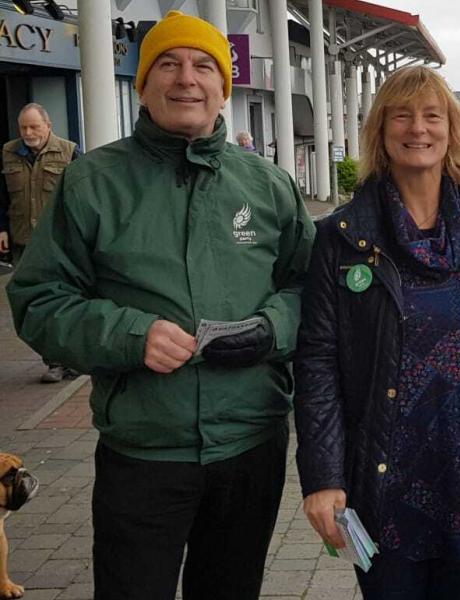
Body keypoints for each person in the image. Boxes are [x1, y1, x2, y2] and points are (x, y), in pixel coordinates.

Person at [5, 11, 315, 599]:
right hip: (143, 451)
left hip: (251, 444)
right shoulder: (91, 181)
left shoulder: (268, 185)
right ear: (142, 84)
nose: (186, 79)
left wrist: (272, 328)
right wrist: (130, 335)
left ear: (225, 88)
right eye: (167, 64)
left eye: (204, 66)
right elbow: (39, 299)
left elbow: (311, 291)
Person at [293, 65, 460, 600]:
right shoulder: (341, 237)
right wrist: (323, 477)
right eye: (402, 115)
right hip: (383, 484)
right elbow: (318, 362)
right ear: (381, 131)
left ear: (451, 129)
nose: (417, 128)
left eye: (432, 116)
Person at [1, 103, 80, 383]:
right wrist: (2, 229)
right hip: (24, 241)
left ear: (48, 126)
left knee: (66, 298)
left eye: (34, 126)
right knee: (33, 303)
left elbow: (81, 198)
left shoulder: (70, 152)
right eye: (23, 127)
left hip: (60, 241)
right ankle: (54, 361)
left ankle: (70, 358)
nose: (28, 132)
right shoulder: (8, 153)